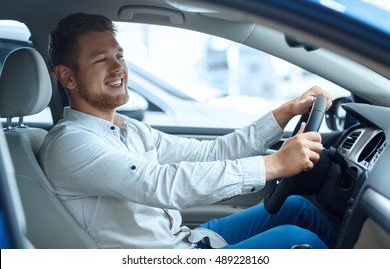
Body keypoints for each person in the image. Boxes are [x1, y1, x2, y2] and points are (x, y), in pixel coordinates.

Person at [39, 13, 337, 249]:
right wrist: (275, 164)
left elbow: (210, 153)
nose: (118, 68)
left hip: (185, 241)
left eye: (119, 55)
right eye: (101, 59)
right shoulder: (71, 144)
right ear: (67, 76)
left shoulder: (128, 129)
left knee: (297, 208)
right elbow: (160, 185)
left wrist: (285, 112)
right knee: (296, 241)